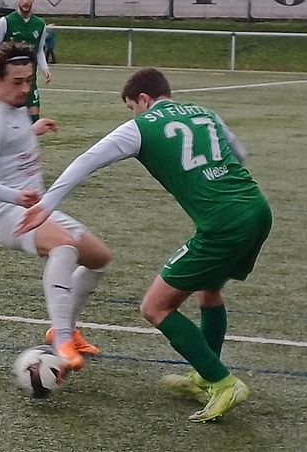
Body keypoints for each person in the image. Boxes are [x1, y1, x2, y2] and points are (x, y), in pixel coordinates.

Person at [17, 67, 272, 422]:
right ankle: (204, 375)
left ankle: (222, 381)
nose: (133, 114)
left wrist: (46, 206)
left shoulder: (142, 125)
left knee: (155, 307)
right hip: (257, 210)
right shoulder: (204, 112)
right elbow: (239, 154)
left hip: (223, 224)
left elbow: (85, 162)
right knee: (208, 290)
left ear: (144, 99)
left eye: (131, 108)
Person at [0, 41, 111, 372]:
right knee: (63, 247)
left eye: (28, 80)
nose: (24, 88)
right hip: (9, 214)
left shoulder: (14, 109)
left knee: (99, 259)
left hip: (38, 208)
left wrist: (33, 129)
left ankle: (66, 329)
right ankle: (61, 339)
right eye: (16, 82)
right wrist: (15, 197)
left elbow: (10, 141)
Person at [0, 0, 52, 122]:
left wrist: (45, 68)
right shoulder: (5, 22)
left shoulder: (40, 24)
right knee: (6, 118)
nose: (25, 1)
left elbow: (39, 50)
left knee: (33, 118)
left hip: (29, 78)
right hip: (11, 79)